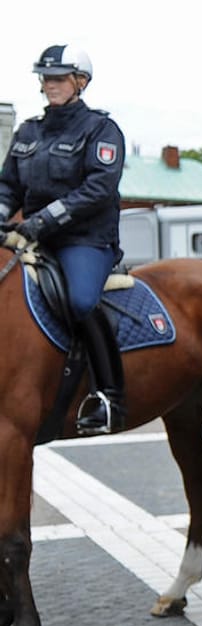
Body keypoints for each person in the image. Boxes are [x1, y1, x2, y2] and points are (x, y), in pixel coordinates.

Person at [0, 45, 126, 435]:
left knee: (82, 300)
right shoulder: (28, 132)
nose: (50, 85)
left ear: (80, 82)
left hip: (84, 240)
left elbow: (99, 189)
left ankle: (108, 395)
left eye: (59, 78)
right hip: (34, 238)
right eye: (46, 78)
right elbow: (8, 185)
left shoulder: (101, 130)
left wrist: (44, 220)